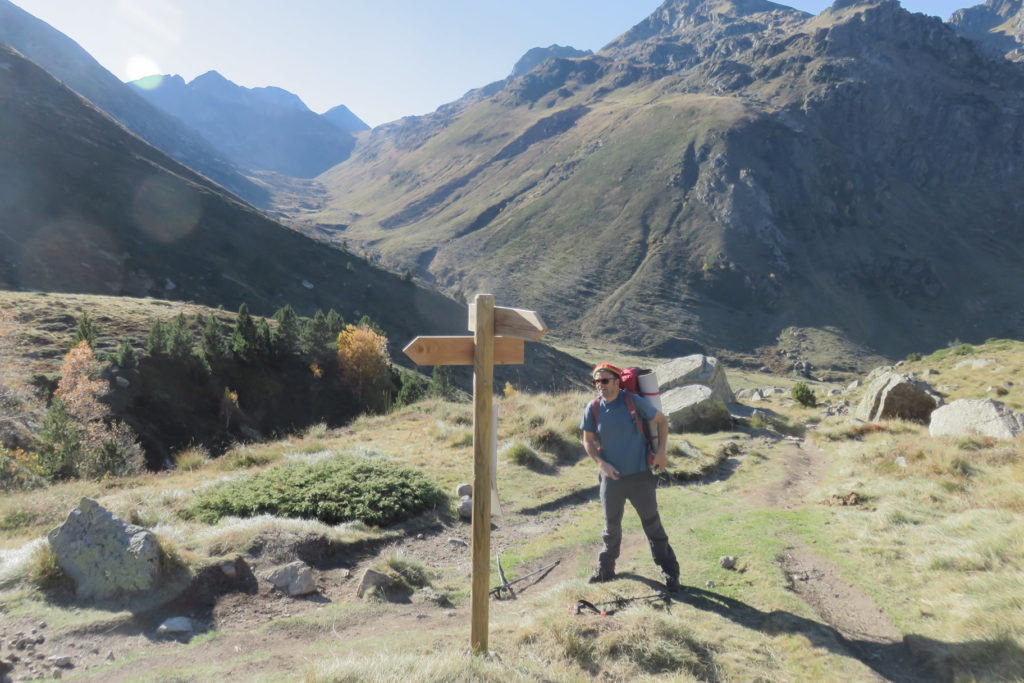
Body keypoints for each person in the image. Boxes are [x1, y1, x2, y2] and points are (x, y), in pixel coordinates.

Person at [580, 362, 680, 592]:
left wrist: (662, 452)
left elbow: (662, 422)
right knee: (610, 528)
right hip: (611, 479)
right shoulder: (593, 408)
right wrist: (601, 463)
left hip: (640, 476)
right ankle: (605, 571)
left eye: (605, 381)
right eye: (597, 382)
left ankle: (670, 573)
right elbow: (587, 441)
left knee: (652, 525)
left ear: (616, 381)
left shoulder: (631, 401)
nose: (600, 386)